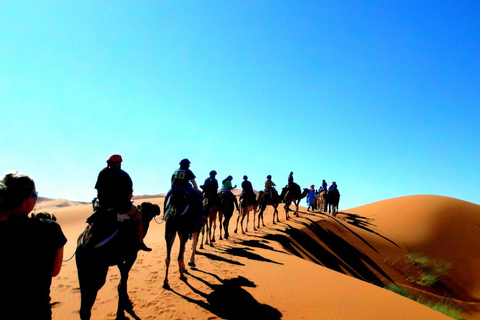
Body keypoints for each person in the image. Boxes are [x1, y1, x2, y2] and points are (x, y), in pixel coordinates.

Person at [0, 171, 67, 319]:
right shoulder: (50, 229)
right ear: (28, 200)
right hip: (37, 312)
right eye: (35, 195)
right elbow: (54, 271)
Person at [94, 154, 151, 251]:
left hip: (102, 207)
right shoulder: (124, 175)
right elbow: (129, 195)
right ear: (119, 164)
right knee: (138, 216)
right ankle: (140, 242)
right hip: (120, 210)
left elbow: (98, 190)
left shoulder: (102, 173)